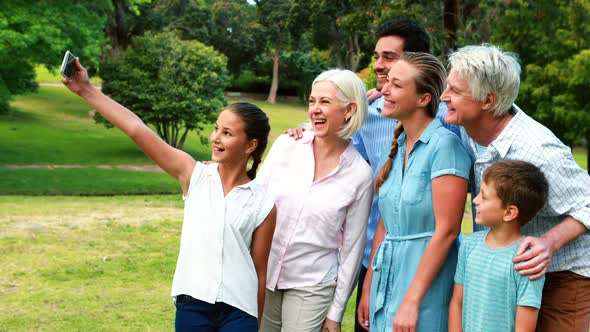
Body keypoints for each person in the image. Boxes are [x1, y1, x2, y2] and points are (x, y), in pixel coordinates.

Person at [62, 58, 277, 331]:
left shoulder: (263, 203)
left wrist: (256, 323)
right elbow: (136, 129)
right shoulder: (194, 175)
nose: (215, 138)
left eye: (227, 133)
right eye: (215, 128)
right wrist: (86, 90)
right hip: (193, 305)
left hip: (240, 312)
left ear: (250, 145)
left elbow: (259, 271)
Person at [441, 44, 590, 331]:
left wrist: (549, 243)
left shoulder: (539, 150)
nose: (444, 97)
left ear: (488, 100)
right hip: (506, 270)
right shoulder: (466, 123)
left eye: (455, 91)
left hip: (565, 276)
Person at [358, 52, 471, 332]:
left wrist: (412, 299)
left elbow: (447, 230)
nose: (384, 89)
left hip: (428, 282)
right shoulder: (393, 148)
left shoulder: (445, 148)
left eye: (397, 85)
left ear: (423, 99)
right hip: (388, 276)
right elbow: (385, 222)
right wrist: (369, 286)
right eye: (388, 83)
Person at [257, 69, 373, 332]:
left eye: (325, 102)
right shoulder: (288, 145)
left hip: (312, 285)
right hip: (263, 274)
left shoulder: (360, 175)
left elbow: (353, 250)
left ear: (349, 109)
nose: (315, 109)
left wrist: (336, 313)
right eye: (312, 101)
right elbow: (253, 202)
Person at [449, 160, 548, 332]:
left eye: (484, 197)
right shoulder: (469, 244)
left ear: (509, 212)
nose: (475, 200)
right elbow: (457, 303)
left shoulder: (527, 260)